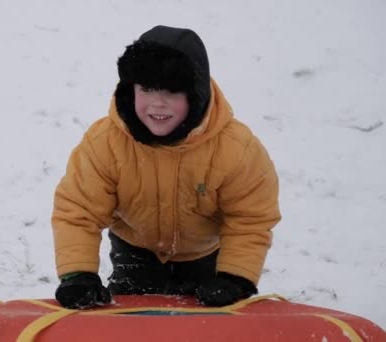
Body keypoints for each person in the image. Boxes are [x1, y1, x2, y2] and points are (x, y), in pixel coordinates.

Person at [51, 25, 281, 309]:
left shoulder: (236, 150)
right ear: (130, 90)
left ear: (195, 95)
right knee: (133, 317)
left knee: (204, 325)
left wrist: (234, 277)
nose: (158, 104)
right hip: (135, 250)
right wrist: (78, 275)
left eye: (172, 92)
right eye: (146, 89)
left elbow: (250, 219)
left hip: (204, 255)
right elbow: (78, 211)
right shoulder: (105, 143)